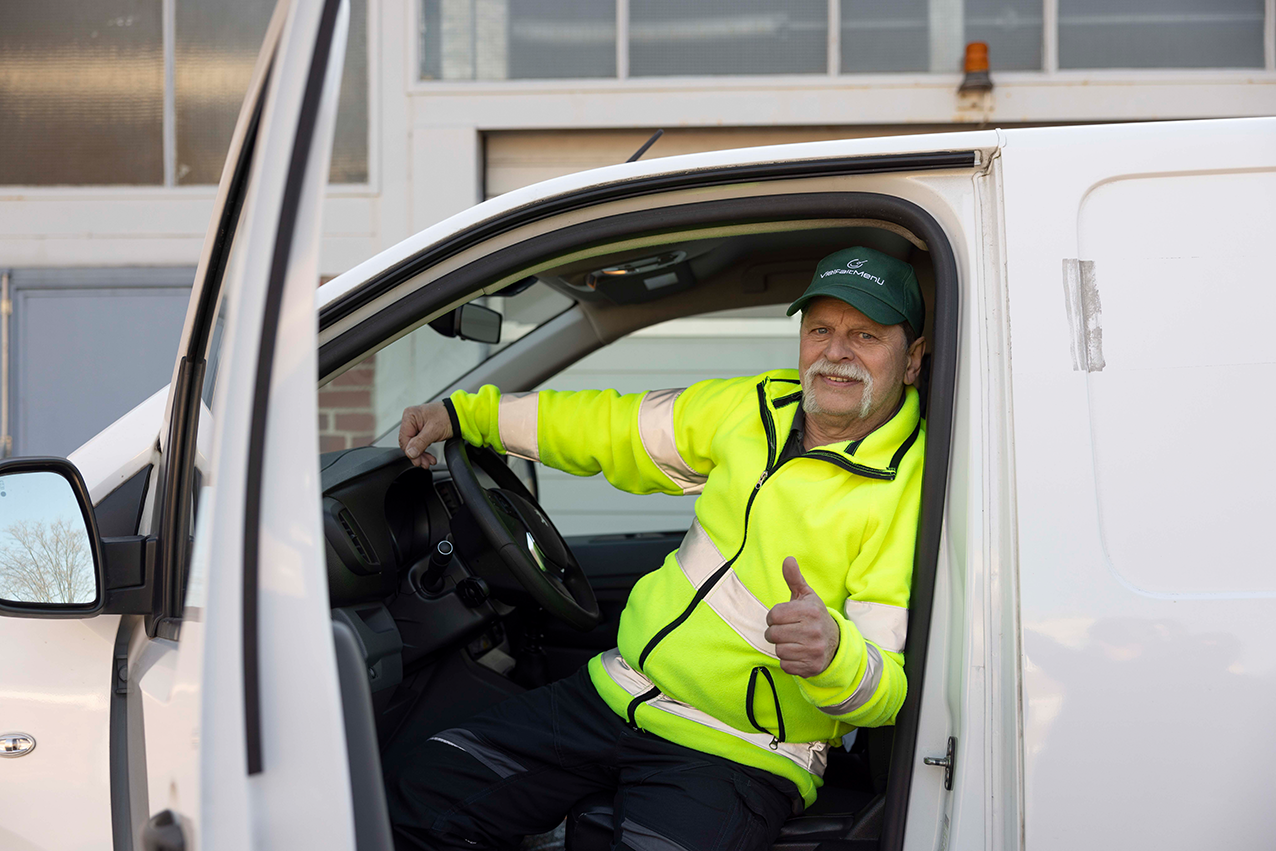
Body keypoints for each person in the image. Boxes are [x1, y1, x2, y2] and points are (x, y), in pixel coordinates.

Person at [387, 246, 927, 851]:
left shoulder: (913, 488)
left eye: (866, 336)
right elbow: (612, 428)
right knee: (422, 793)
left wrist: (833, 656)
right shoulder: (755, 406)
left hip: (737, 753)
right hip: (617, 693)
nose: (836, 352)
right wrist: (466, 416)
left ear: (912, 360)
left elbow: (886, 692)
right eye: (820, 329)